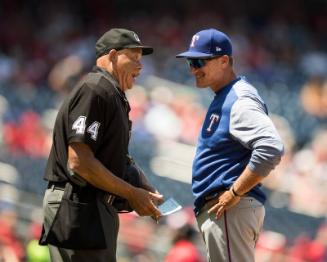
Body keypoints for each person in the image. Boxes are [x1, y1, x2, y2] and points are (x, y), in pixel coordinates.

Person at [39, 28, 163, 262]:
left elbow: (109, 155)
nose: (141, 65)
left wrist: (140, 184)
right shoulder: (95, 89)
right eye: (134, 57)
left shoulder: (112, 93)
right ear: (113, 55)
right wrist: (131, 193)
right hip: (77, 203)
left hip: (93, 205)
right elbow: (79, 161)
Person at [176, 28, 284, 262]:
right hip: (226, 210)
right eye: (190, 62)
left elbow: (271, 147)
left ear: (224, 60)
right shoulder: (225, 97)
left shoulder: (239, 98)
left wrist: (235, 191)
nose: (193, 69)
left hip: (230, 207)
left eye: (199, 61)